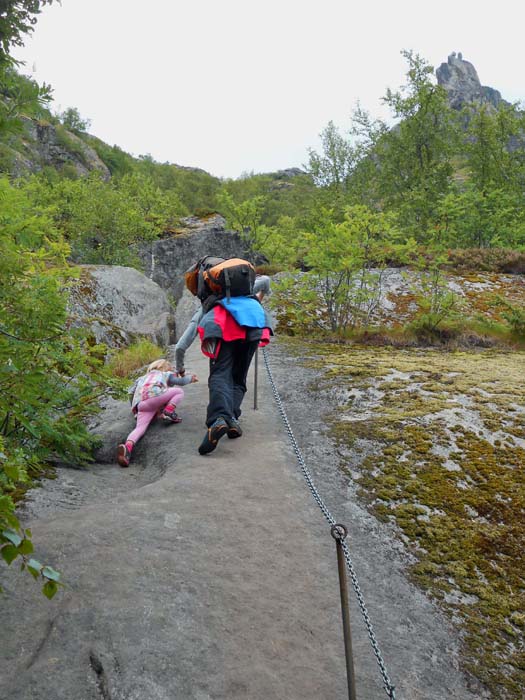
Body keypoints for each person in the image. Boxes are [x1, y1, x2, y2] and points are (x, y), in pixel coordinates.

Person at [175, 272, 272, 455]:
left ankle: (220, 418)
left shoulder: (209, 302)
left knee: (220, 374)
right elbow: (266, 281)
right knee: (238, 377)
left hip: (222, 327)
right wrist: (260, 296)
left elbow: (181, 345)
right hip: (253, 324)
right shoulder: (245, 291)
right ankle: (232, 419)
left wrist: (179, 368)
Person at [117, 359, 198, 467]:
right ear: (165, 368)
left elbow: (131, 393)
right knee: (178, 392)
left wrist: (135, 408)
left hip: (141, 404)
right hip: (155, 397)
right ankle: (169, 411)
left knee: (139, 428)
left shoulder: (141, 379)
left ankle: (127, 448)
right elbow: (180, 382)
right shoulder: (165, 374)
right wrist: (190, 379)